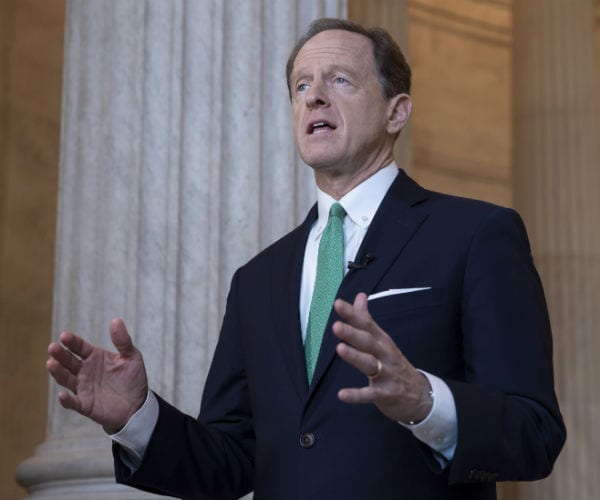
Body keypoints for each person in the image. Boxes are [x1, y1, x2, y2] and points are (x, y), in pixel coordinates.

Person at [47, 18, 565, 500]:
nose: (314, 96)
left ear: (396, 111)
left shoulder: (475, 234)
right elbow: (230, 461)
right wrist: (137, 418)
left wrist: (427, 403)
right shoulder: (258, 279)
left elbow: (533, 432)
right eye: (301, 85)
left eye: (340, 80)